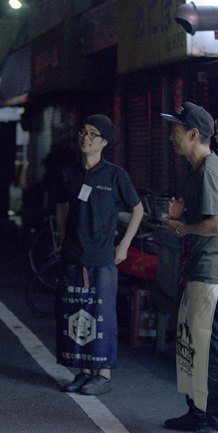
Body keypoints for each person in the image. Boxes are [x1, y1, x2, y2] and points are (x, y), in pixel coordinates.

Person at [159, 102, 218, 433]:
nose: (171, 136)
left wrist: (182, 227)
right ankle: (198, 413)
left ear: (194, 135)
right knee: (192, 344)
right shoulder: (197, 169)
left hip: (213, 273)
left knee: (208, 347)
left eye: (176, 131)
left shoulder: (208, 170)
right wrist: (184, 212)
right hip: (201, 271)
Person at [54, 114, 144, 396]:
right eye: (82, 131)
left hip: (103, 258)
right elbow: (61, 208)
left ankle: (103, 375)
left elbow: (138, 209)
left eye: (93, 134)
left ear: (104, 142)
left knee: (102, 315)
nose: (86, 137)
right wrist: (62, 238)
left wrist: (124, 245)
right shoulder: (68, 173)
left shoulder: (116, 175)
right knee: (74, 315)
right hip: (72, 256)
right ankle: (83, 371)